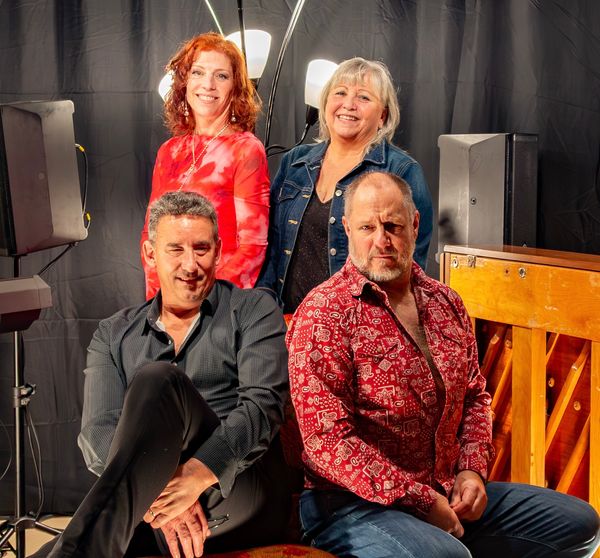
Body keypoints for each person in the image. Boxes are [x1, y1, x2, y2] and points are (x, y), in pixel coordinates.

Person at [286, 171, 600, 558]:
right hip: (350, 506)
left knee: (579, 524)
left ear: (415, 224)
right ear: (348, 229)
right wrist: (419, 500)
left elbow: (474, 398)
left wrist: (471, 471)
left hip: (445, 493)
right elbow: (328, 442)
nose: (381, 240)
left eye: (393, 226)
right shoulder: (324, 313)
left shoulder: (445, 302)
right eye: (367, 227)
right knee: (445, 556)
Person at [36, 192, 290, 558]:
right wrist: (162, 493)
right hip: (150, 507)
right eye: (176, 250)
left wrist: (197, 474)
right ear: (150, 253)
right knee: (53, 552)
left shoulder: (254, 310)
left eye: (201, 249)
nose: (190, 264)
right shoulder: (113, 334)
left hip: (236, 491)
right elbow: (97, 432)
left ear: (218, 251)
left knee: (159, 379)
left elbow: (262, 408)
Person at [257, 57, 433, 314]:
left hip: (357, 322)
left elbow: (409, 266)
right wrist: (265, 310)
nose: (348, 104)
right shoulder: (294, 163)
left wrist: (360, 322)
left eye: (364, 97)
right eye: (340, 93)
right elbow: (270, 247)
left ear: (382, 116)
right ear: (325, 103)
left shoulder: (400, 171)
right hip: (286, 319)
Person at [141, 32, 269, 299]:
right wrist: (162, 300)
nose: (208, 84)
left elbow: (252, 248)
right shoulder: (169, 151)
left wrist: (202, 302)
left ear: (235, 87)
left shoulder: (246, 149)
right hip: (167, 299)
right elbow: (151, 237)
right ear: (184, 82)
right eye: (198, 73)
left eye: (221, 76)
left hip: (218, 301)